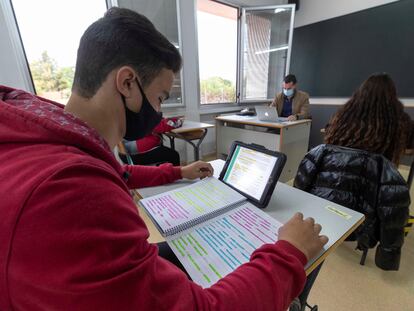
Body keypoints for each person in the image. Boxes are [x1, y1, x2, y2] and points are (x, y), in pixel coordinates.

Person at [0, 8, 328, 311]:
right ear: (127, 82)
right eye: (159, 98)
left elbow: (120, 173)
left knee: (191, 242)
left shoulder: (43, 130)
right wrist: (289, 254)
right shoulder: (75, 193)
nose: (158, 111)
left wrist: (177, 171)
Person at [324, 73, 413, 164]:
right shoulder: (400, 120)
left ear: (361, 92)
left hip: (335, 169)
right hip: (375, 175)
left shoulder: (343, 115)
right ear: (392, 95)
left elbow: (328, 130)